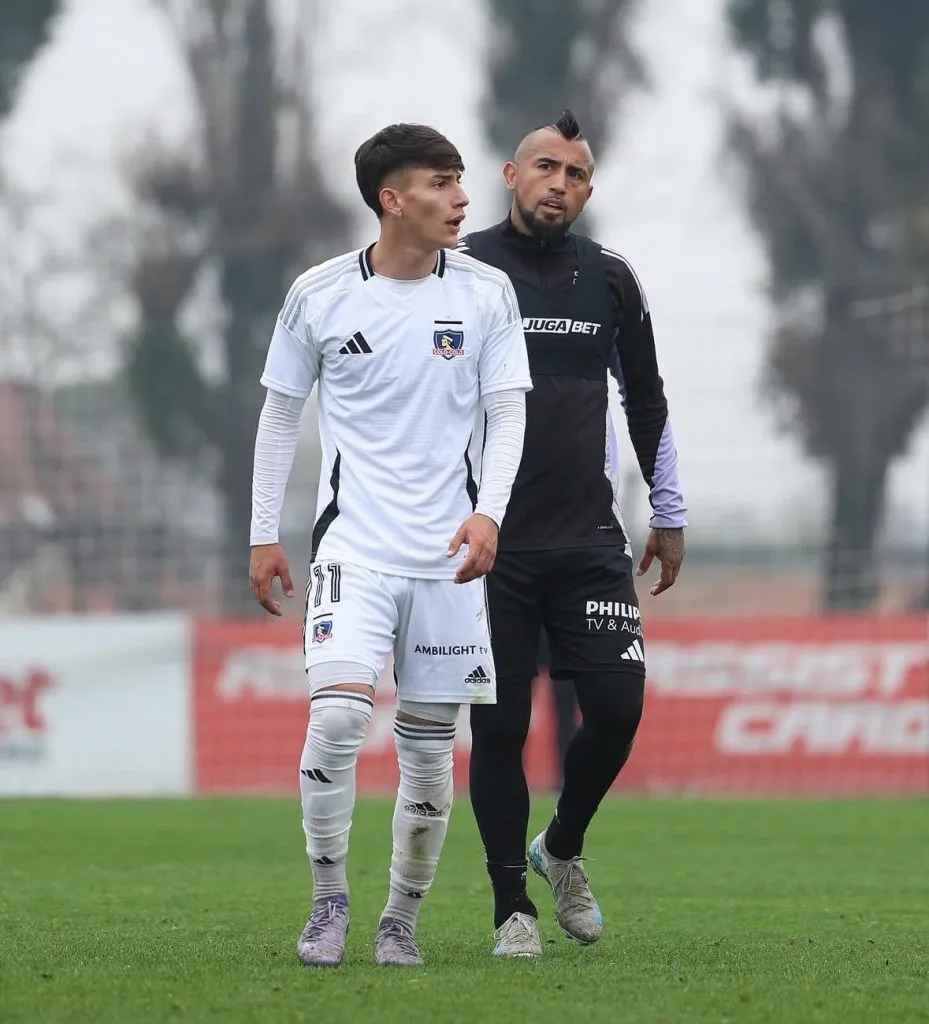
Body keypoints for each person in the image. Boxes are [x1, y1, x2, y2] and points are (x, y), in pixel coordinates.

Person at [248, 123, 532, 968]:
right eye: (443, 183)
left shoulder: (485, 294)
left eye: (461, 181)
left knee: (428, 748)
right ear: (392, 199)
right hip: (354, 551)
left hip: (447, 556)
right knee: (336, 716)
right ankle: (328, 900)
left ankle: (399, 919)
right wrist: (263, 532)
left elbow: (508, 412)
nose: (463, 199)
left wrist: (489, 515)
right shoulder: (320, 294)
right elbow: (278, 414)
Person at [458, 110, 687, 957]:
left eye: (577, 174)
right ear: (509, 176)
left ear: (589, 190)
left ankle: (559, 847)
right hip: (489, 543)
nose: (561, 183)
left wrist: (667, 512)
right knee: (501, 726)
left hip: (590, 536)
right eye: (545, 167)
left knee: (619, 710)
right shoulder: (463, 270)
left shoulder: (610, 278)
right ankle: (509, 907)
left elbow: (647, 401)